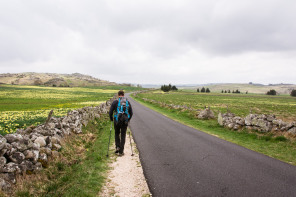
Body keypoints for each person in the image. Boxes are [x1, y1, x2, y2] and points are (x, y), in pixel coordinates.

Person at [109, 90, 133, 156]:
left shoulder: (115, 102)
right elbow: (131, 113)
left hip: (117, 121)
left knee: (117, 133)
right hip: (124, 121)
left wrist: (111, 119)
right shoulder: (127, 102)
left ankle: (117, 147)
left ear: (118, 95)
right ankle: (121, 152)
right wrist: (128, 120)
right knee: (123, 135)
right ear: (123, 95)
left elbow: (110, 112)